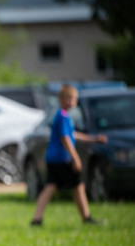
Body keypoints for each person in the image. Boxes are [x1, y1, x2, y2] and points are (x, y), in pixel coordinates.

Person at [30, 84, 108, 226]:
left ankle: (37, 218)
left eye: (75, 99)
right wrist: (76, 158)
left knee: (50, 187)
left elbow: (72, 134)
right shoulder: (63, 117)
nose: (73, 102)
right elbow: (65, 138)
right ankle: (86, 217)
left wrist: (94, 138)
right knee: (78, 185)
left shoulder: (62, 116)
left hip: (53, 158)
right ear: (62, 99)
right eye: (70, 98)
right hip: (61, 158)